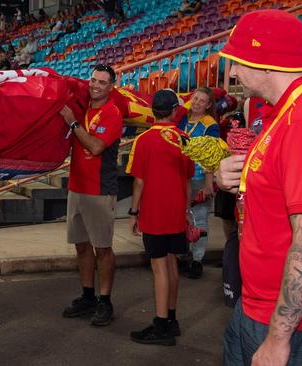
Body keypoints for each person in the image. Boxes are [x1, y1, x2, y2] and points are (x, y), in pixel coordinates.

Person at [214, 10, 302, 365]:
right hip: (256, 305)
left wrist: (278, 339)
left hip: (288, 325)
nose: (232, 73)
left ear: (264, 61)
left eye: (237, 62)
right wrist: (232, 179)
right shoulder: (283, 111)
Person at [126, 88, 194, 346]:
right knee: (172, 262)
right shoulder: (184, 138)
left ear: (153, 110)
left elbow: (139, 182)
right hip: (176, 209)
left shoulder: (142, 141)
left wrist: (134, 212)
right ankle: (172, 318)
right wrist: (186, 209)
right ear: (175, 111)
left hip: (154, 211)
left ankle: (161, 324)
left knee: (158, 267)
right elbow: (188, 181)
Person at [59, 64, 122, 327]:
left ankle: (105, 301)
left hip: (99, 190)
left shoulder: (112, 113)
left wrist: (72, 123)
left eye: (102, 82)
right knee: (82, 246)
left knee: (103, 249)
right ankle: (87, 296)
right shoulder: (83, 108)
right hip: (77, 186)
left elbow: (95, 147)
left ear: (111, 87)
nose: (96, 86)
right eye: (93, 80)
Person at [177, 86, 219, 279]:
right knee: (181, 218)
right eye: (195, 99)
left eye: (202, 101)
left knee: (199, 219)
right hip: (181, 177)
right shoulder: (184, 118)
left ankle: (197, 260)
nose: (197, 103)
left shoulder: (211, 124)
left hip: (200, 177)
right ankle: (183, 255)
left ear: (209, 105)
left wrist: (209, 182)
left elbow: (212, 153)